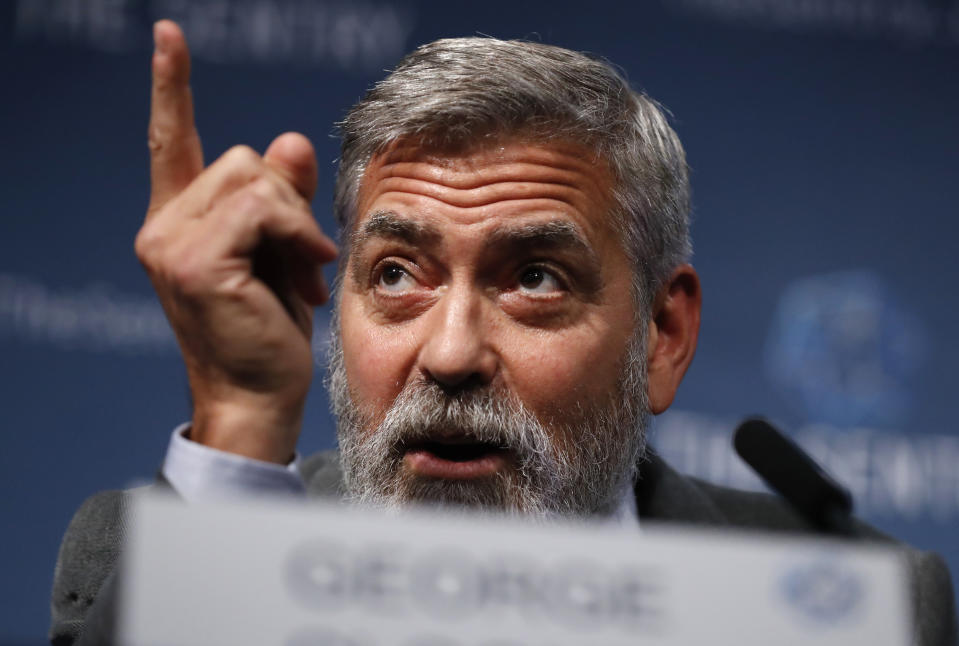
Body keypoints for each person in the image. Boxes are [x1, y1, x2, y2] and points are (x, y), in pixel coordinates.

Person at [50, 20, 956, 645]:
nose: (448, 356)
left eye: (533, 279)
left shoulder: (861, 609)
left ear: (662, 335)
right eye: (397, 275)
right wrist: (243, 419)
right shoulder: (147, 563)